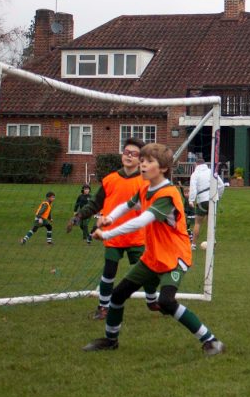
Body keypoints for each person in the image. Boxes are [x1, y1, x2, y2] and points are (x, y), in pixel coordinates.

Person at [83, 142, 224, 356]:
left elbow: (142, 220)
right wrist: (110, 217)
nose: (143, 165)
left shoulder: (167, 194)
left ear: (163, 168)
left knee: (166, 301)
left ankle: (212, 341)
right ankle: (111, 340)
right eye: (142, 161)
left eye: (149, 162)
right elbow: (129, 205)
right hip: (153, 256)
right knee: (118, 295)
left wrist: (108, 233)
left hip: (175, 256)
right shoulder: (145, 187)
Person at [67, 138, 158, 319]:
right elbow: (95, 204)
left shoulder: (146, 182)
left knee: (145, 271)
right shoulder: (110, 180)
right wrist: (78, 216)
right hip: (113, 236)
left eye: (134, 154)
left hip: (137, 236)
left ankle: (152, 300)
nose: (129, 156)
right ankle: (103, 307)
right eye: (126, 152)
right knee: (109, 272)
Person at [188, 157, 224, 249]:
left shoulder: (195, 174)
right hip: (213, 199)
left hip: (202, 200)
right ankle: (213, 241)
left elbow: (193, 188)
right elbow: (221, 185)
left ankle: (193, 245)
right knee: (210, 222)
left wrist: (191, 200)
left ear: (196, 164)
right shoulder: (211, 172)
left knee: (198, 222)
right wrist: (218, 196)